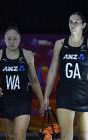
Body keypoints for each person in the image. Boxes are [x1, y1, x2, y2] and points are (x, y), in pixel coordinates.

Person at [0, 25, 44, 140]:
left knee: (19, 137)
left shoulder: (27, 55)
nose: (12, 41)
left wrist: (42, 101)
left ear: (20, 39)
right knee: (10, 137)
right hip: (5, 101)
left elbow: (34, 80)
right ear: (4, 39)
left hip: (23, 101)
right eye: (8, 38)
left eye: (15, 38)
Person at [44, 11, 88, 140]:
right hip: (65, 94)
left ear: (84, 25)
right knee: (65, 136)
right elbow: (52, 70)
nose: (73, 25)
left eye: (76, 22)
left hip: (84, 94)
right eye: (70, 22)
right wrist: (46, 95)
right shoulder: (60, 44)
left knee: (84, 136)